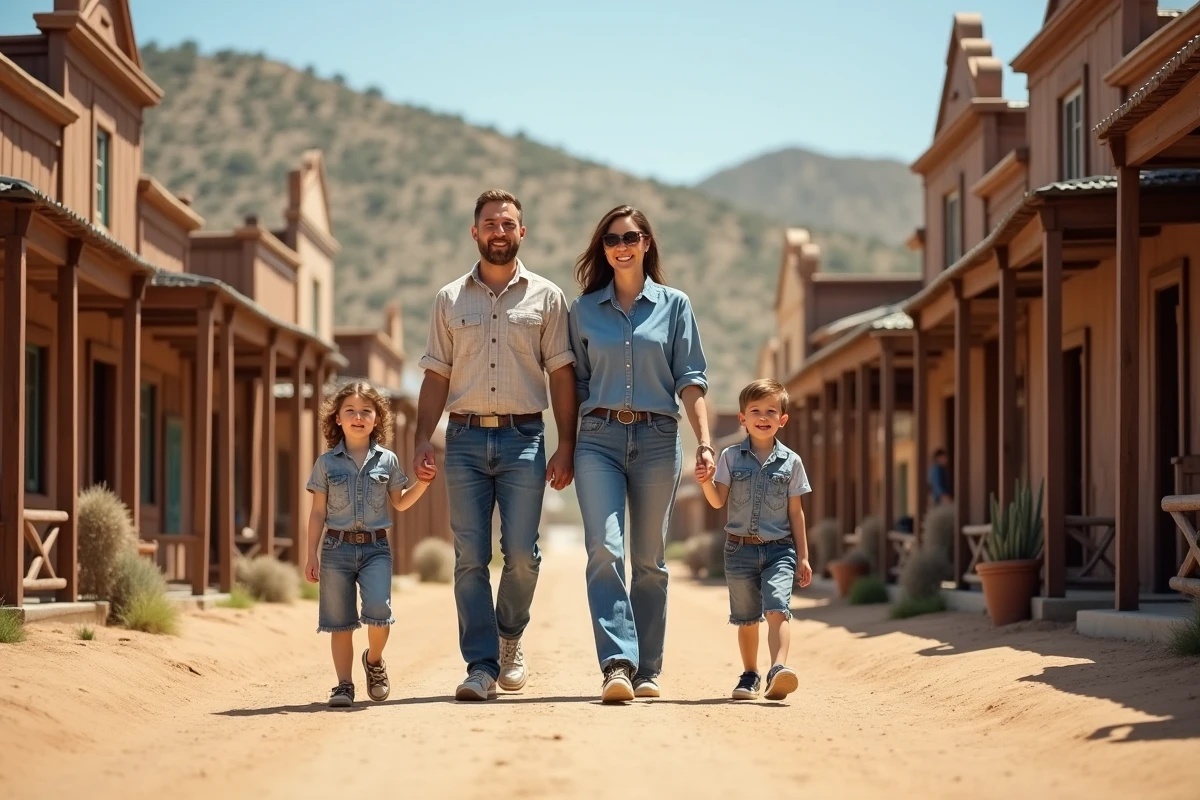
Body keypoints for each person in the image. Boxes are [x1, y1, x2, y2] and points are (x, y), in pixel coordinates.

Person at [413, 189, 577, 702]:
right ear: (475, 231)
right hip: (461, 439)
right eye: (490, 223)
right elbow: (436, 375)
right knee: (469, 558)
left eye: (508, 224)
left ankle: (510, 639)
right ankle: (480, 665)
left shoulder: (547, 298)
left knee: (523, 555)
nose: (499, 231)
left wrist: (565, 442)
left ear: (521, 232)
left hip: (524, 437)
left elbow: (563, 375)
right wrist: (422, 437)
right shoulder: (448, 299)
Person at [569, 204, 713, 703]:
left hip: (657, 439)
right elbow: (576, 386)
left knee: (649, 560)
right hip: (598, 439)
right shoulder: (583, 310)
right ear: (603, 248)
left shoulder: (676, 306)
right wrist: (566, 447)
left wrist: (705, 441)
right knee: (604, 548)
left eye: (631, 236)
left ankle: (647, 669)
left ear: (647, 243)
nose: (621, 245)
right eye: (611, 238)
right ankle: (617, 663)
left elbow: (691, 380)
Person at [304, 380, 435, 708]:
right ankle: (344, 685)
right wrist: (311, 554)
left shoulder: (387, 460)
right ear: (337, 418)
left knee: (379, 612)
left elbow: (400, 503)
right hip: (336, 549)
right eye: (350, 410)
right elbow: (318, 512)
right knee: (340, 622)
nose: (358, 416)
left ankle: (374, 661)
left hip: (376, 549)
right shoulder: (326, 463)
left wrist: (424, 483)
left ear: (378, 419)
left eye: (366, 411)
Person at [698, 378, 812, 701]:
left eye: (771, 411)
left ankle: (779, 669)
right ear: (742, 418)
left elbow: (796, 514)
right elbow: (718, 500)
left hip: (779, 550)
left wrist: (803, 555)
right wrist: (707, 482)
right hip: (739, 550)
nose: (763, 417)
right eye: (755, 411)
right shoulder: (730, 458)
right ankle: (750, 675)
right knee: (747, 619)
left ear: (782, 419)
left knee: (778, 608)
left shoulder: (792, 463)